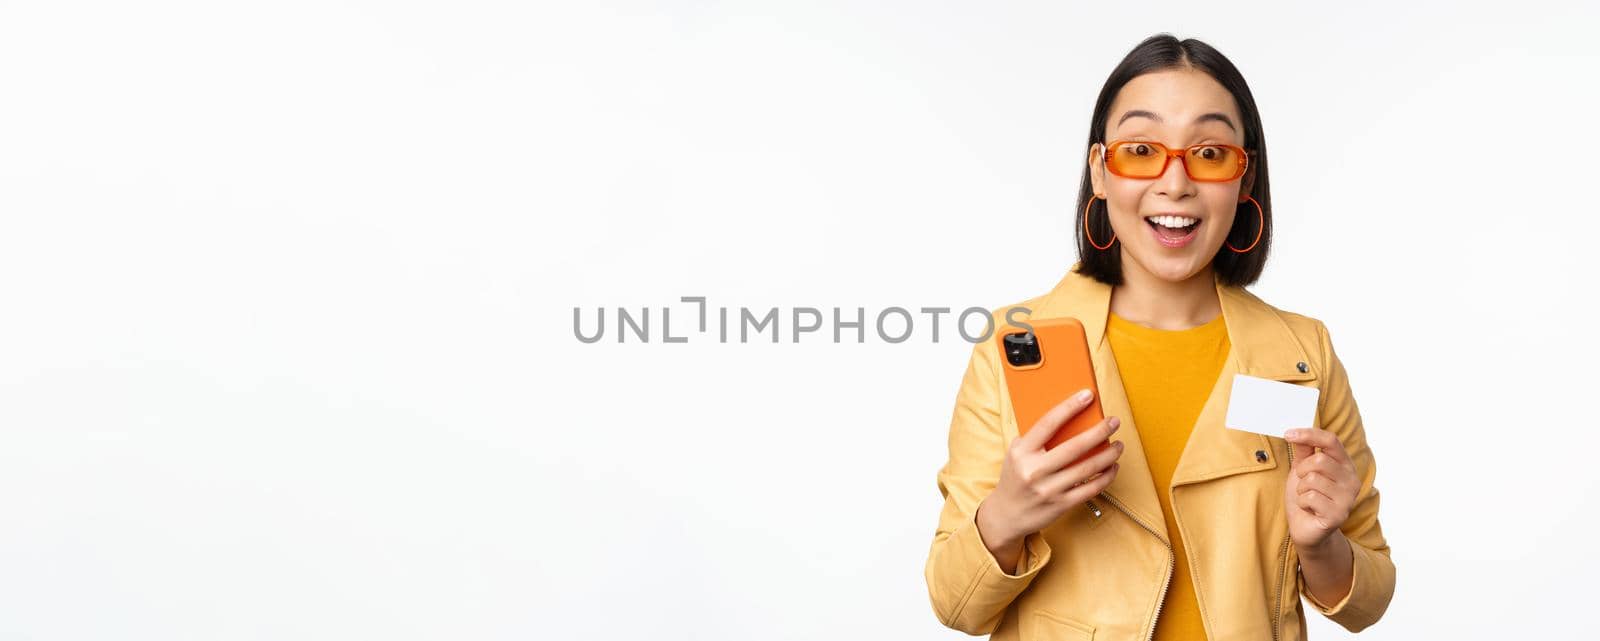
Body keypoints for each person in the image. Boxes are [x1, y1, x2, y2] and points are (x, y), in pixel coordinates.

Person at [923, 34, 1395, 640]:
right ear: (1099, 171)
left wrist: (1322, 544)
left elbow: (1368, 599)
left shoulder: (1302, 356)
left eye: (1210, 153)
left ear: (1244, 180)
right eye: (1141, 149)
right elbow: (954, 605)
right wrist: (1006, 517)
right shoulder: (1011, 347)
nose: (1175, 183)